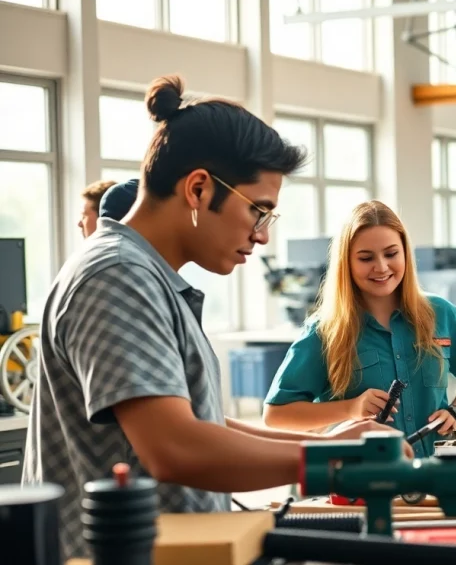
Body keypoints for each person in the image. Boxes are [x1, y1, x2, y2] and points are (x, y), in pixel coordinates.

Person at [22, 75, 406, 560]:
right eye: (258, 211)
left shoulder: (147, 276)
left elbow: (201, 421)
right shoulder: (117, 275)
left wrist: (336, 439)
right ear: (200, 188)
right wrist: (334, 461)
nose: (263, 236)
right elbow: (175, 447)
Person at [262, 200, 456, 457]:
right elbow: (276, 415)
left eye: (391, 254)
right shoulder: (325, 331)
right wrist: (351, 408)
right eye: (366, 258)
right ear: (346, 263)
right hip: (361, 478)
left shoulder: (441, 313)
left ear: (405, 253)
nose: (381, 267)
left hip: (434, 473)